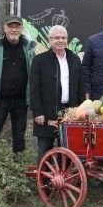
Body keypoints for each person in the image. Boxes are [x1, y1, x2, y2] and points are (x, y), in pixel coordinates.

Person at [0, 15, 36, 153]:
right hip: (0, 100)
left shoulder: (28, 47)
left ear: (21, 29)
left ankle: (17, 165)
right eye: (11, 26)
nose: (14, 29)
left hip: (21, 101)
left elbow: (34, 71)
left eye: (17, 27)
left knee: (19, 137)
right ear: (5, 28)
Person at [30, 25, 84, 164]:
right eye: (57, 38)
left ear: (67, 40)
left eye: (63, 38)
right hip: (46, 112)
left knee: (66, 149)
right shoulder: (39, 60)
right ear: (49, 40)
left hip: (69, 112)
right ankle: (44, 182)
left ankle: (63, 182)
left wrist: (80, 110)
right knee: (45, 152)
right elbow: (34, 89)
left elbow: (80, 86)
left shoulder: (74, 59)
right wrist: (37, 112)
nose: (60, 40)